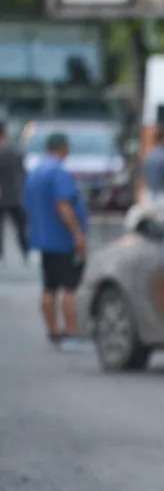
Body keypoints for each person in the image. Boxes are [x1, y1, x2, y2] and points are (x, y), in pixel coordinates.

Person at [23, 133, 87, 346]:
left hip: (43, 237)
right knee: (70, 287)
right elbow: (63, 205)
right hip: (62, 239)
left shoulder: (36, 171)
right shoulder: (58, 173)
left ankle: (53, 329)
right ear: (63, 147)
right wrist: (77, 234)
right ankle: (71, 330)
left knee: (49, 287)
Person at [0, 125, 29, 263]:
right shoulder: (17, 151)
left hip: (2, 195)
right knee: (21, 228)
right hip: (18, 194)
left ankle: (1, 256)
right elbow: (24, 172)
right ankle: (25, 252)